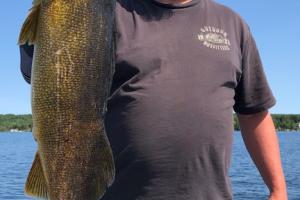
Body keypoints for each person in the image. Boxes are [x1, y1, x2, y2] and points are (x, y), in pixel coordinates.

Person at [19, 0, 287, 199]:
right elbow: (47, 72)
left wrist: (278, 188)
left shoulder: (233, 24)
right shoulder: (107, 13)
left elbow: (254, 111)